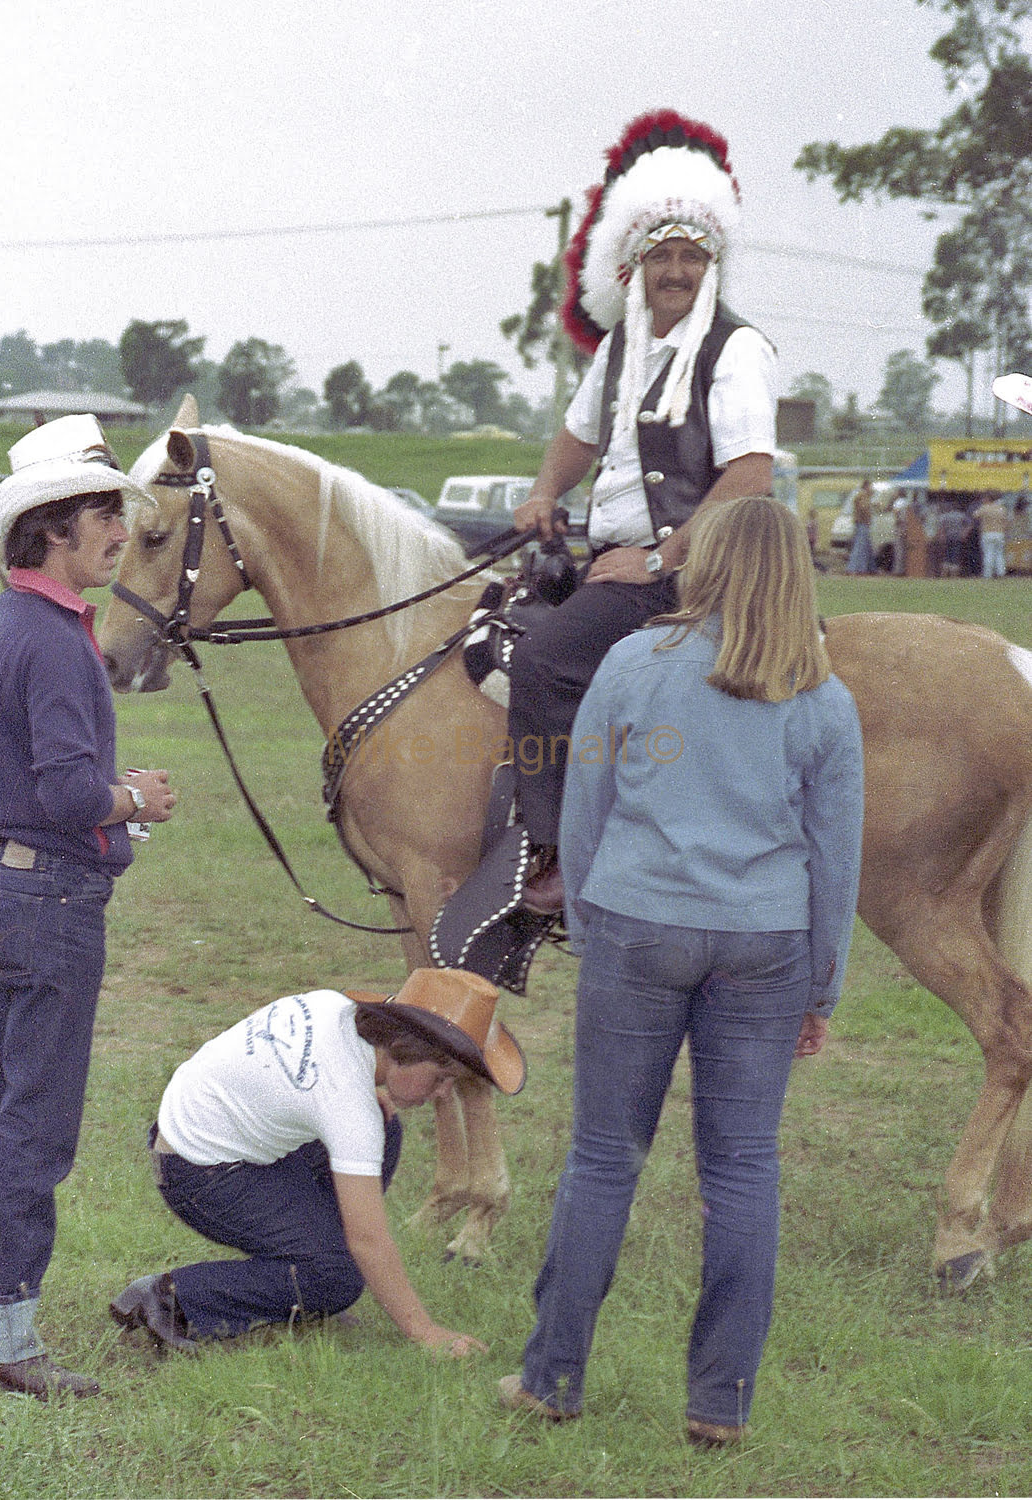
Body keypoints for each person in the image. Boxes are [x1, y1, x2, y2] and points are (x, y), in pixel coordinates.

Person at [499, 495, 864, 1443]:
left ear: (698, 562)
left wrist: (586, 917)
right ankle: (719, 1404)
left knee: (601, 1157)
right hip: (765, 941)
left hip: (636, 922)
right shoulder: (821, 695)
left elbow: (584, 808)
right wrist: (820, 985)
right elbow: (836, 858)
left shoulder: (634, 663)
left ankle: (550, 1378)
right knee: (743, 1169)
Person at [508, 110, 778, 914]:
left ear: (712, 267)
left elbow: (751, 476)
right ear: (633, 267)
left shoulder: (735, 350)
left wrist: (660, 560)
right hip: (615, 563)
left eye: (692, 257)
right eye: (660, 255)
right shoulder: (622, 350)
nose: (676, 271)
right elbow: (575, 434)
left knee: (543, 664)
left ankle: (558, 855)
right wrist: (542, 494)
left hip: (689, 572)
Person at [0, 415, 178, 1400]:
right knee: (34, 1129)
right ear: (56, 525)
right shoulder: (54, 641)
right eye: (107, 514)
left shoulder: (7, 622)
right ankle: (9, 1342)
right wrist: (135, 798)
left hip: (14, 893)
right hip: (55, 897)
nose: (117, 533)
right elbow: (65, 793)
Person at [110, 968, 524, 1357]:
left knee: (384, 1130)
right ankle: (173, 1297)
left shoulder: (334, 1007)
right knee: (339, 1277)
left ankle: (309, 1280)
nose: (441, 1093)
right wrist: (425, 1332)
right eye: (440, 1077)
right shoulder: (347, 1104)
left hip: (202, 1131)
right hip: (196, 1171)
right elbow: (369, 1239)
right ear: (404, 1049)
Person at [972, 492, 1009, 579]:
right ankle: (1001, 573)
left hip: (987, 533)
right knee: (999, 554)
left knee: (988, 553)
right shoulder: (1001, 508)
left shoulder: (985, 507)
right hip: (1000, 533)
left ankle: (988, 574)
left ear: (988, 499)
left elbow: (975, 515)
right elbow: (1006, 521)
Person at [845, 479, 874, 575]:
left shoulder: (859, 495)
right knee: (860, 547)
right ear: (866, 486)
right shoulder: (863, 496)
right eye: (870, 486)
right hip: (862, 523)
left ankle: (869, 568)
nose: (872, 488)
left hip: (860, 522)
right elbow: (863, 507)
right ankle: (855, 568)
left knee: (866, 546)